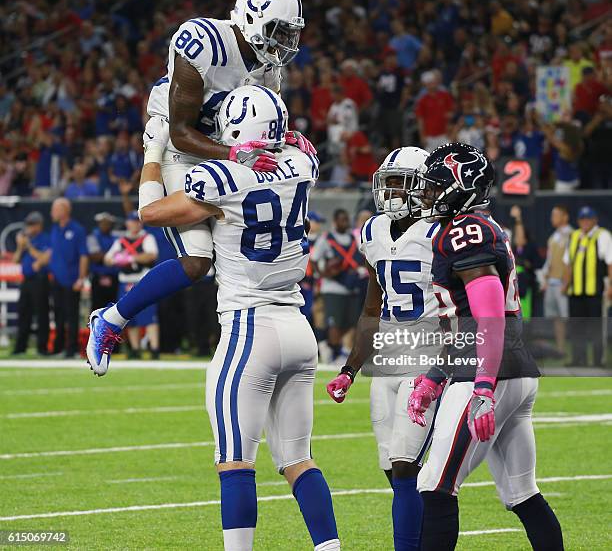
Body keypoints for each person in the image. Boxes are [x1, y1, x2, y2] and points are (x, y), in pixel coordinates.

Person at [89, 86, 339, 551]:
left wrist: (154, 149)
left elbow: (150, 212)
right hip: (299, 330)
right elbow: (295, 145)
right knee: (299, 461)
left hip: (249, 331)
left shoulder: (221, 177)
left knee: (236, 464)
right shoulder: (304, 164)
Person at [87, 0, 313, 343]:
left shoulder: (269, 69)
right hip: (179, 147)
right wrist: (234, 153)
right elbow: (180, 130)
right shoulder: (205, 43)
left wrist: (287, 137)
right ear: (252, 18)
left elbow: (259, 130)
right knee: (196, 260)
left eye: (290, 34)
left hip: (226, 148)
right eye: (278, 31)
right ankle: (112, 319)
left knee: (238, 243)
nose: (285, 43)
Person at [408, 143, 563, 551]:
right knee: (521, 493)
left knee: (435, 485)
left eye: (434, 186)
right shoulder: (476, 226)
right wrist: (433, 378)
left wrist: (482, 387)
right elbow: (467, 323)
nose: (425, 194)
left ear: (460, 187)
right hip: (511, 366)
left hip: (489, 370)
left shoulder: (464, 231)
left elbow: (489, 312)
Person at [327, 147, 442, 550]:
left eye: (400, 182)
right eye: (388, 182)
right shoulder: (374, 230)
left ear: (423, 188)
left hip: (427, 355)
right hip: (387, 359)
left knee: (406, 466)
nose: (391, 191)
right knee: (393, 470)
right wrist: (349, 368)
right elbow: (372, 308)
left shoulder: (439, 233)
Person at [311, 209, 368, 363]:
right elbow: (314, 258)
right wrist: (322, 274)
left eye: (346, 220)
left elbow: (359, 258)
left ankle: (343, 350)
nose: (345, 223)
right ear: (335, 222)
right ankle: (333, 351)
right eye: (342, 220)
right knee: (335, 322)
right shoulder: (326, 238)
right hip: (333, 287)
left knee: (351, 322)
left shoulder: (352, 238)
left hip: (351, 285)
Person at [104, 212, 160, 359]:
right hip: (125, 281)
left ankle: (154, 348)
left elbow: (152, 255)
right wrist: (118, 259)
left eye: (137, 222)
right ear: (127, 223)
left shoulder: (147, 238)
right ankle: (135, 349)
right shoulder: (121, 241)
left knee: (148, 316)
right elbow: (107, 259)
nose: (134, 224)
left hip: (141, 280)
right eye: (132, 222)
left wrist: (131, 258)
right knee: (129, 317)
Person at [563, 206, 612, 367]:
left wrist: (610, 286)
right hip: (575, 291)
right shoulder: (574, 236)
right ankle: (579, 358)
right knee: (577, 326)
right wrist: (566, 284)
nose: (585, 222)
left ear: (595, 220)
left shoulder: (602, 235)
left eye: (588, 219)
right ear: (578, 221)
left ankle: (598, 360)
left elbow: (610, 263)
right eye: (582, 219)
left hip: (595, 291)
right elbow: (568, 263)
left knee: (596, 327)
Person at [49, 198, 88, 357]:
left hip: (72, 280)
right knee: (58, 314)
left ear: (64, 210)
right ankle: (58, 348)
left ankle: (71, 348)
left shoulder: (77, 230)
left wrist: (81, 278)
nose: (52, 213)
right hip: (56, 279)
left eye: (55, 209)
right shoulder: (55, 229)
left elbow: (84, 255)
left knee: (71, 315)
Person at [12, 211, 51, 355]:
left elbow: (43, 257)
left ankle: (42, 348)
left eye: (32, 224)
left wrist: (28, 246)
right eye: (28, 224)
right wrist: (20, 247)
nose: (29, 227)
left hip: (40, 279)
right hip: (26, 280)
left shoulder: (44, 238)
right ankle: (20, 347)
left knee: (41, 314)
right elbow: (15, 260)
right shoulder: (26, 239)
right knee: (23, 313)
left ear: (39, 225)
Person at [541, 205, 572, 358]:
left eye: (556, 215)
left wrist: (566, 283)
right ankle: (561, 349)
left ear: (565, 217)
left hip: (562, 283)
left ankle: (574, 349)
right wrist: (545, 279)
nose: (552, 218)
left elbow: (570, 262)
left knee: (566, 318)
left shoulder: (572, 235)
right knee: (557, 319)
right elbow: (549, 260)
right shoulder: (553, 237)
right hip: (552, 283)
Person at [415, 71, 453, 153]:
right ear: (426, 85)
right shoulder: (422, 100)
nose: (432, 84)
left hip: (444, 134)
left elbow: (451, 113)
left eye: (433, 82)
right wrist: (422, 136)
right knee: (429, 158)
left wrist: (451, 130)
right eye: (430, 82)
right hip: (430, 136)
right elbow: (420, 120)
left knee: (447, 156)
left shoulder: (445, 96)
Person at [88, 212, 119, 312]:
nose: (105, 225)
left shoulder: (115, 237)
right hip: (98, 276)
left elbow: (119, 254)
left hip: (113, 277)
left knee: (113, 308)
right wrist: (112, 256)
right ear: (99, 223)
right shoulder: (92, 236)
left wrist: (108, 256)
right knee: (97, 308)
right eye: (103, 223)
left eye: (108, 223)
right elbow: (94, 256)